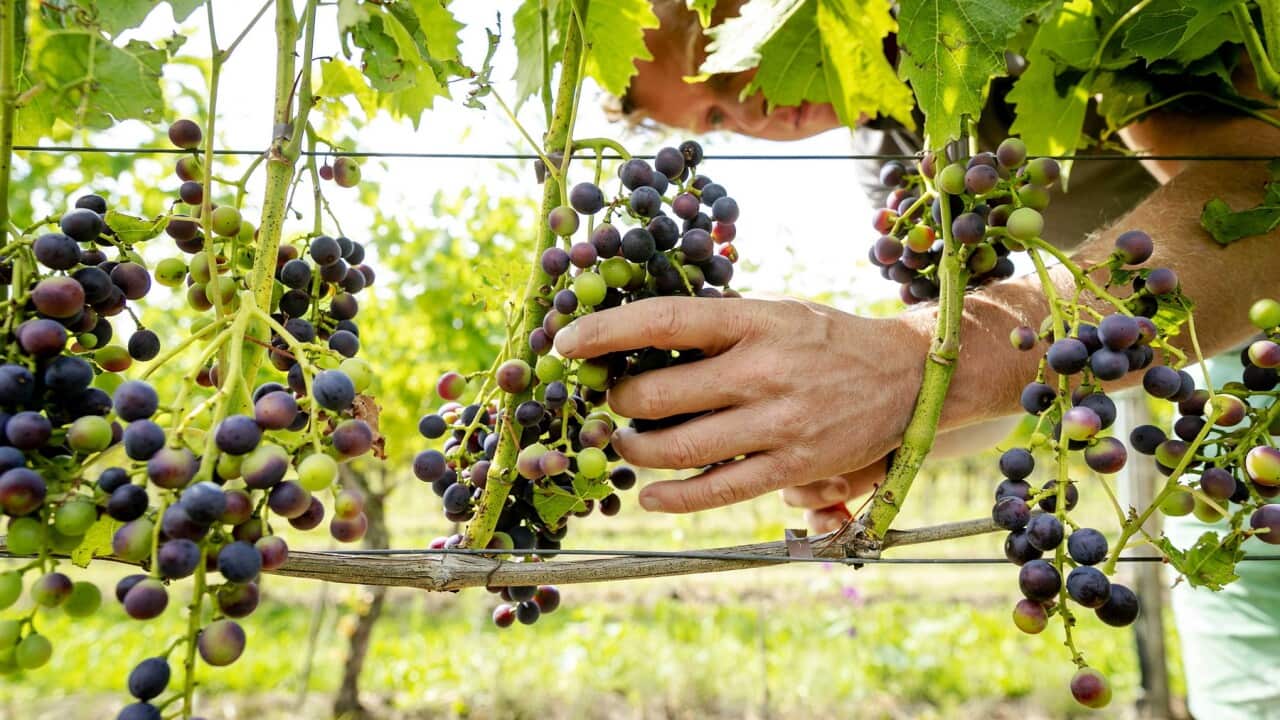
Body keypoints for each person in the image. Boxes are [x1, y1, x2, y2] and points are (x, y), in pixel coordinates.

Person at [564, 2, 1280, 718]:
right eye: (717, 118)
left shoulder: (1041, 18)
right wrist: (897, 434)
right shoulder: (898, 156)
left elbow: (1262, 194)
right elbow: (990, 380)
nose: (752, 106)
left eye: (725, 51)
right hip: (1215, 406)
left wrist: (908, 366)